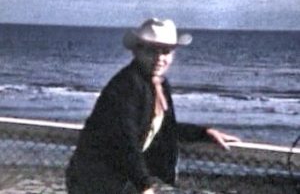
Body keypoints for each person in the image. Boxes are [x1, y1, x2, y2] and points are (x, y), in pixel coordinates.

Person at [65, 18, 241, 194]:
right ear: (137, 51)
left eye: (165, 52)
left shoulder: (158, 85)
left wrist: (204, 133)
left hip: (120, 179)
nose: (159, 58)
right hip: (94, 180)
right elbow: (125, 140)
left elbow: (164, 128)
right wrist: (145, 185)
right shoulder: (127, 85)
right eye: (151, 51)